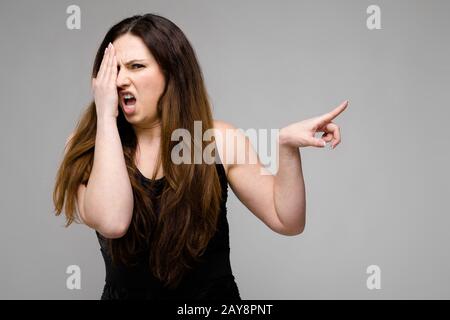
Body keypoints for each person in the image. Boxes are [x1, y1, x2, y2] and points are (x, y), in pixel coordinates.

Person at [53, 13, 348, 300]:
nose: (120, 80)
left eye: (136, 66)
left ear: (172, 73)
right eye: (114, 69)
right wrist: (105, 116)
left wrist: (286, 149)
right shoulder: (87, 149)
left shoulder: (212, 141)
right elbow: (113, 221)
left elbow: (288, 221)